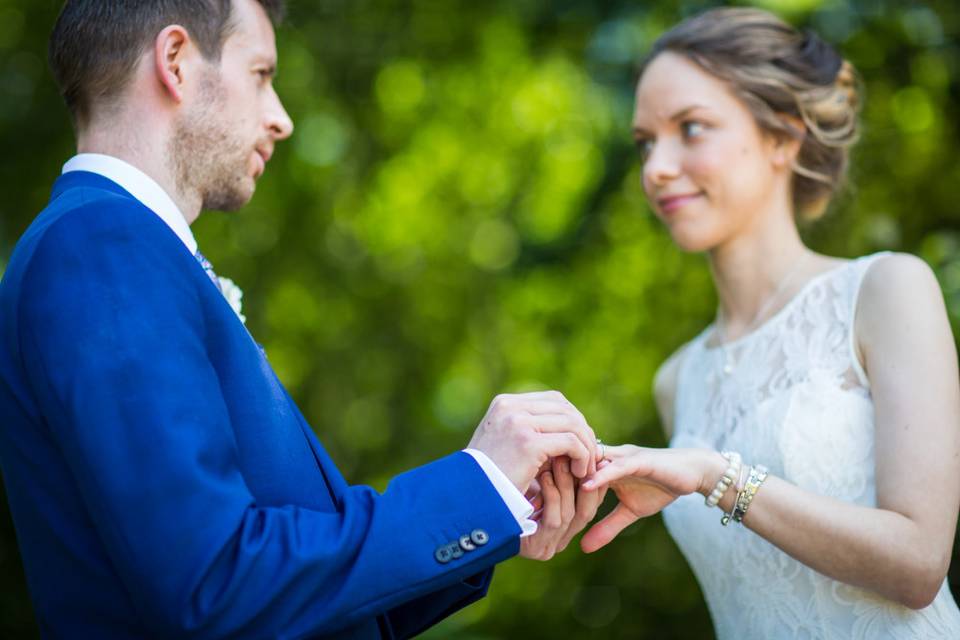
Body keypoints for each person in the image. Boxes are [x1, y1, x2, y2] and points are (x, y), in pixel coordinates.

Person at [0, 1, 606, 637]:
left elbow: (293, 599)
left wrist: (499, 504)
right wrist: (475, 483)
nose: (281, 118)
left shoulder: (119, 246)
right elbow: (214, 587)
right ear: (175, 61)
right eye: (261, 74)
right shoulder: (102, 245)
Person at [579, 7, 960, 639]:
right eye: (645, 142)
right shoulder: (679, 380)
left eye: (691, 128)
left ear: (783, 135)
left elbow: (918, 564)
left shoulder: (884, 289)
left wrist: (714, 476)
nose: (655, 169)